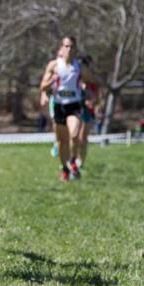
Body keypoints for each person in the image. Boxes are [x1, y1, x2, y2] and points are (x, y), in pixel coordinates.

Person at [39, 37, 98, 182]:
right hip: (59, 105)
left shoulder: (79, 67)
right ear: (61, 48)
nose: (69, 49)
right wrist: (50, 84)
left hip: (74, 105)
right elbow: (42, 86)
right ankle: (65, 168)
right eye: (66, 46)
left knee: (74, 134)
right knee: (61, 142)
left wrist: (91, 95)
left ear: (76, 49)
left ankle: (72, 161)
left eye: (72, 47)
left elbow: (92, 82)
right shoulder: (54, 65)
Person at [75, 56, 100, 168]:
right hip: (75, 109)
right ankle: (73, 158)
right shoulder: (75, 81)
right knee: (74, 135)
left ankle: (81, 161)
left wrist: (92, 102)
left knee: (82, 137)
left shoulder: (93, 83)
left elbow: (97, 98)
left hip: (87, 111)